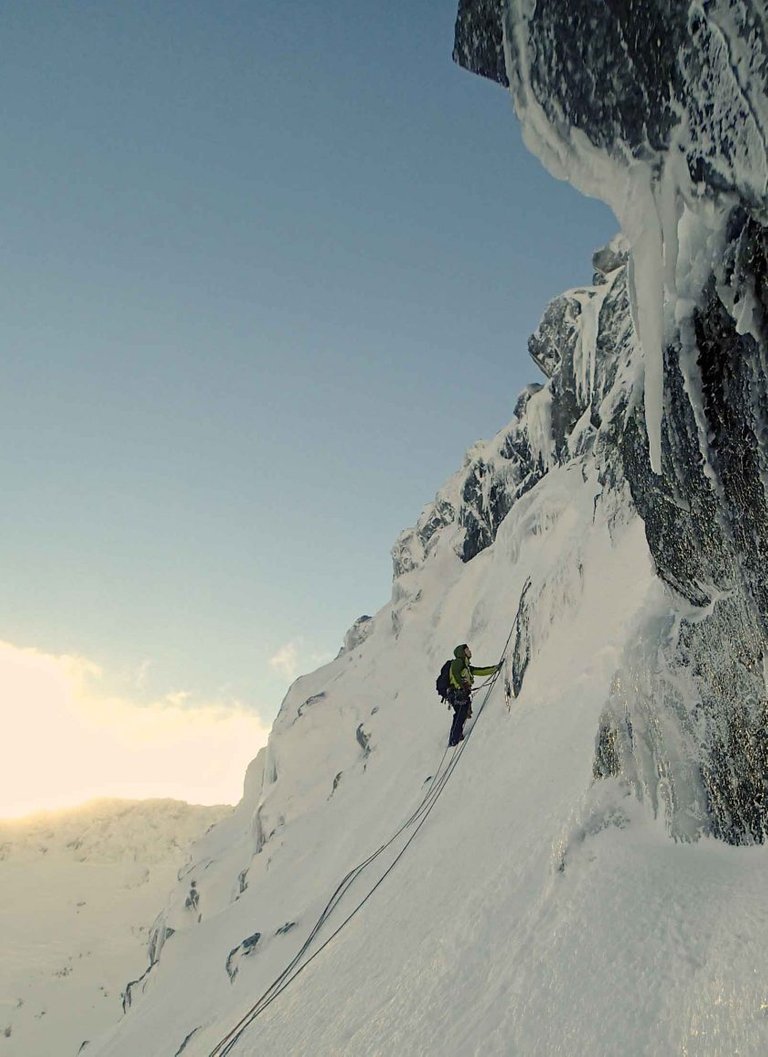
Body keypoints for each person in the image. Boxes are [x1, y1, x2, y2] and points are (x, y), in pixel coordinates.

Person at [447, 643, 500, 746]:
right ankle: (454, 739)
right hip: (457, 694)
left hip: (460, 694)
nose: (469, 651)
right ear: (462, 653)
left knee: (461, 714)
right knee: (460, 714)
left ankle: (455, 737)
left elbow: (480, 671)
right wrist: (463, 687)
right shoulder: (458, 662)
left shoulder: (466, 666)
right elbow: (455, 673)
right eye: (467, 650)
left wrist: (494, 669)